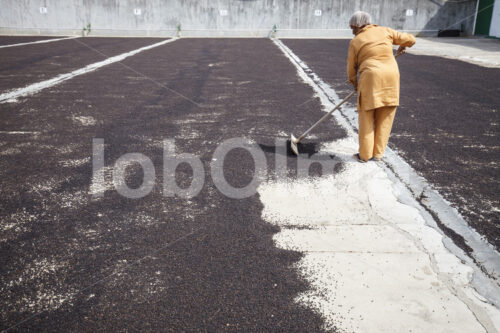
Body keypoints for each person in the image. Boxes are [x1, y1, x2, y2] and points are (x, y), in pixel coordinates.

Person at [347, 11, 416, 162]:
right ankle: (378, 154)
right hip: (391, 77)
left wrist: (355, 84)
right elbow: (410, 39)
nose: (352, 31)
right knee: (386, 116)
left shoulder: (356, 41)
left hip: (370, 78)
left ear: (357, 26)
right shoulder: (385, 31)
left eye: (352, 27)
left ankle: (365, 155)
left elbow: (351, 68)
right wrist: (403, 45)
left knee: (366, 117)